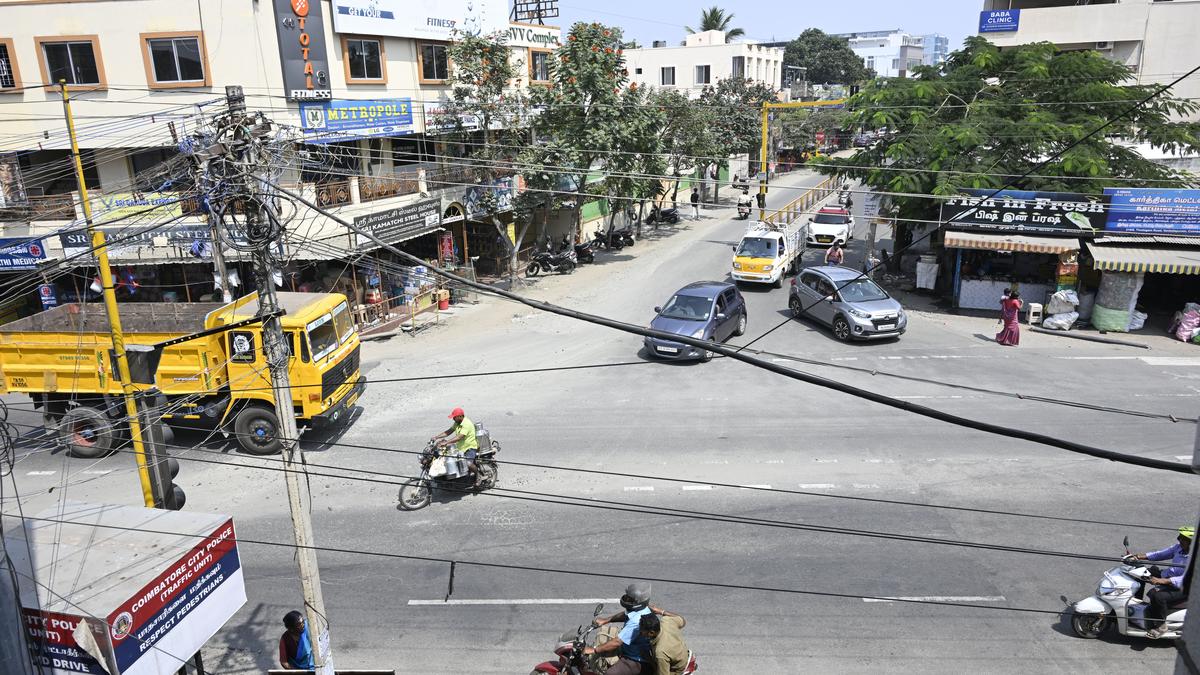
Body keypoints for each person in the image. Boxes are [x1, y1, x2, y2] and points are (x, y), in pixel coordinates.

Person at [1126, 526, 1193, 637]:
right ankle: (1136, 604)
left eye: (1182, 538)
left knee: (1157, 596)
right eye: (1180, 536)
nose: (1178, 539)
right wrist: (1137, 557)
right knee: (1140, 572)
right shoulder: (1179, 548)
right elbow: (1161, 554)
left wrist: (1162, 581)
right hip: (1168, 576)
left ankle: (1162, 625)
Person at [584, 582, 654, 674]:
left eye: (630, 599)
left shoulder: (636, 621)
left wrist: (594, 650)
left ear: (638, 602)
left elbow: (617, 642)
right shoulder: (639, 609)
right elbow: (625, 615)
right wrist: (606, 620)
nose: (627, 599)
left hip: (636, 659)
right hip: (629, 649)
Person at [433, 407, 480, 484]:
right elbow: (449, 431)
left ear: (460, 416)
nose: (453, 419)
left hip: (470, 448)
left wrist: (447, 442)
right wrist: (436, 437)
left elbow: (459, 437)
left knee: (467, 463)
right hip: (460, 448)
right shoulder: (457, 423)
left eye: (454, 417)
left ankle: (478, 475)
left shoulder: (466, 424)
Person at [641, 607, 691, 675]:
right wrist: (661, 611)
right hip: (683, 654)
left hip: (677, 668)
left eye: (641, 631)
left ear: (651, 633)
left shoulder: (660, 653)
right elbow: (682, 621)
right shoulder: (667, 621)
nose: (639, 632)